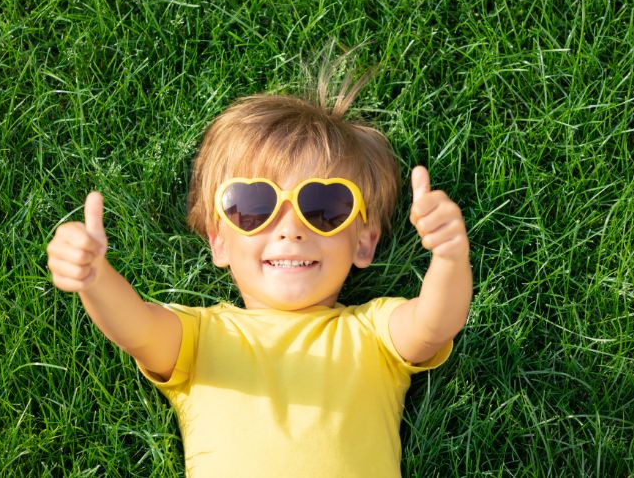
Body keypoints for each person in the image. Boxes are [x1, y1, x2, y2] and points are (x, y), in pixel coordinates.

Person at [46, 67, 472, 477]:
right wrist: (96, 277)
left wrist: (450, 256)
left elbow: (435, 324)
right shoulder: (201, 337)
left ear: (364, 240)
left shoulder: (373, 332)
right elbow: (134, 328)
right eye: (253, 206)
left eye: (324, 208)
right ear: (219, 241)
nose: (290, 230)